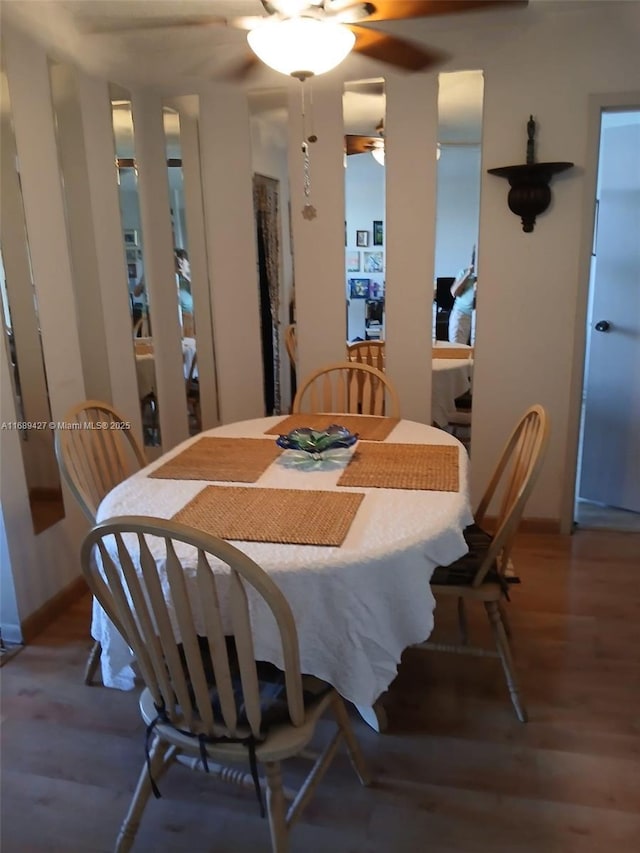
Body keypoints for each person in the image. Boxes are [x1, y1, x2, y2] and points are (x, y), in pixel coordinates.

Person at [448, 262, 476, 344]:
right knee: (457, 348)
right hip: (461, 314)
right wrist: (468, 273)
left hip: (480, 318)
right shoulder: (464, 272)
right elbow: (454, 293)